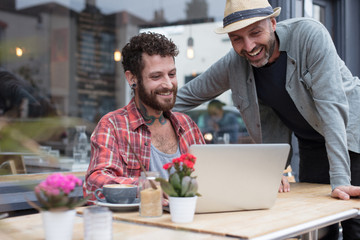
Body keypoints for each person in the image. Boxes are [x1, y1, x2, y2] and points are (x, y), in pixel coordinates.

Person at [174, 0, 360, 239]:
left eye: (255, 32)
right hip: (311, 143)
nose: (248, 46)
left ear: (273, 23)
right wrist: (139, 110)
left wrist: (341, 180)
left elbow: (332, 107)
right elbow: (189, 95)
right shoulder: (235, 63)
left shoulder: (309, 35)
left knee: (353, 217)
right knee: (318, 222)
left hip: (352, 134)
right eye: (237, 39)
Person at [83, 32, 205, 203]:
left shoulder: (188, 126)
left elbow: (209, 180)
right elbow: (94, 184)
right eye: (156, 76)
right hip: (140, 226)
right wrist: (143, 187)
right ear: (132, 79)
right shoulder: (113, 126)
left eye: (171, 74)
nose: (168, 84)